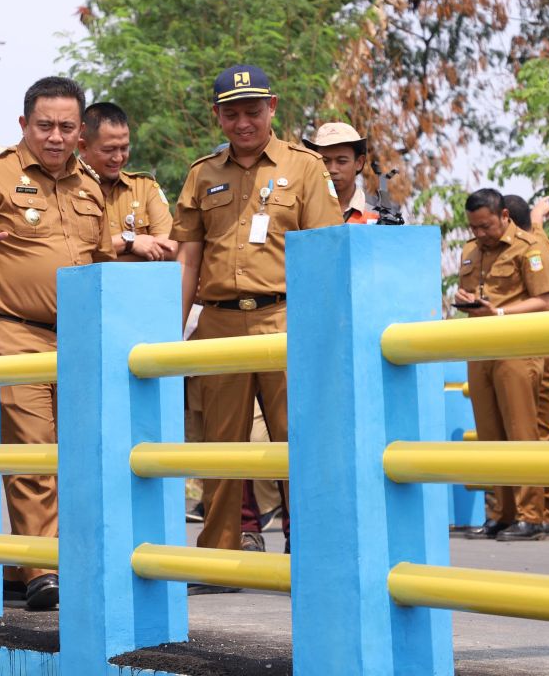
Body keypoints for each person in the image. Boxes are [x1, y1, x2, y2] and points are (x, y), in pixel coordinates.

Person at [0, 76, 115, 610]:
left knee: (81, 454)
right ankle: (43, 571)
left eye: (67, 127)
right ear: (24, 125)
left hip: (81, 339)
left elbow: (103, 259)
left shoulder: (89, 185)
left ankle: (51, 561)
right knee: (33, 452)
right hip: (14, 331)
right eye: (45, 126)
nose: (56, 136)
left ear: (80, 131)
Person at [171, 64, 343, 580]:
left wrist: (321, 329)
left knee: (297, 438)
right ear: (217, 116)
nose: (242, 123)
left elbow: (324, 255)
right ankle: (221, 556)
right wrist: (171, 335)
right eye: (231, 113)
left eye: (252, 111)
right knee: (221, 446)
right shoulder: (203, 174)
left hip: (286, 318)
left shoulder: (306, 167)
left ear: (272, 108)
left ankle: (309, 550)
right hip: (220, 323)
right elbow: (187, 260)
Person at [456, 188, 549, 541]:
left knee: (521, 432)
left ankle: (531, 515)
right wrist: (466, 302)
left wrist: (498, 311)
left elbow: (545, 299)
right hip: (481, 348)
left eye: (486, 226)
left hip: (517, 349)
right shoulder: (470, 250)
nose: (480, 234)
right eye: (474, 227)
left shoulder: (529, 248)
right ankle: (500, 513)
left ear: (504, 217)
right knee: (490, 436)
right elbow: (469, 290)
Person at [508, 194, 549, 534]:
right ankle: (547, 511)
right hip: (535, 348)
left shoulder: (533, 247)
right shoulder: (537, 239)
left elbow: (545, 301)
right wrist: (537, 218)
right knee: (534, 428)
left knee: (538, 430)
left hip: (542, 350)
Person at [76, 101, 176, 262]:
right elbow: (70, 252)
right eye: (108, 150)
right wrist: (129, 242)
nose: (118, 158)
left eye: (124, 148)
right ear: (83, 147)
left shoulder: (144, 187)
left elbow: (171, 248)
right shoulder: (66, 188)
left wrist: (104, 251)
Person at [303, 122, 380, 224]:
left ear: (359, 163)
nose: (332, 169)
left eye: (342, 161)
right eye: (324, 161)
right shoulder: (302, 210)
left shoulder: (379, 213)